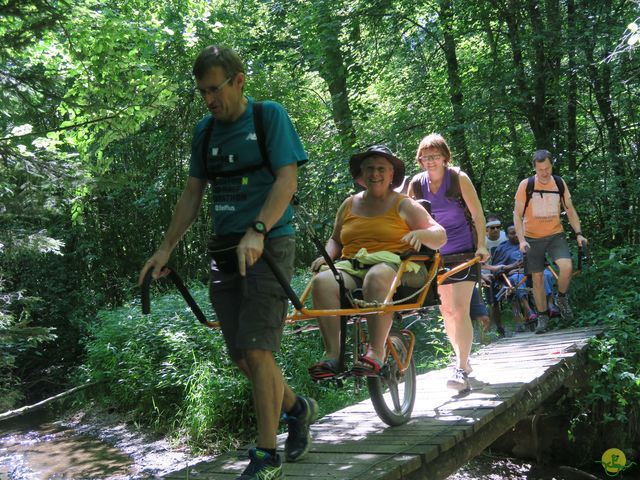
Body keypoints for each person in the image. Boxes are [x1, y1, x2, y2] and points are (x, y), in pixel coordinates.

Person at [138, 45, 316, 480]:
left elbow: (287, 180)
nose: (209, 100)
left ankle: (266, 456)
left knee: (258, 349)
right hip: (224, 250)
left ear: (238, 81)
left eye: (214, 90)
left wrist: (257, 229)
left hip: (270, 244)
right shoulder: (205, 131)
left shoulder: (269, 116)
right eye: (202, 92)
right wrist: (165, 248)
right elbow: (192, 193)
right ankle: (297, 408)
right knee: (242, 355)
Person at [308, 145, 446, 379]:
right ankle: (333, 355)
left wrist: (422, 235)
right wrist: (328, 256)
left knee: (376, 276)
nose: (375, 174)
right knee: (322, 281)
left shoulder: (403, 204)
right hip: (353, 264)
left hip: (399, 265)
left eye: (381, 168)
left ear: (392, 174)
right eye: (370, 168)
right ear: (361, 174)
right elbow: (335, 240)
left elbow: (440, 235)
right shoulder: (349, 204)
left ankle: (376, 351)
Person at [408, 133, 490, 392]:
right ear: (420, 161)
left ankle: (461, 365)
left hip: (464, 251)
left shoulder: (458, 179)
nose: (430, 161)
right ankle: (461, 359)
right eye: (425, 157)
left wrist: (482, 244)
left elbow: (477, 214)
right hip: (435, 255)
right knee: (446, 311)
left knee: (459, 308)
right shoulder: (416, 185)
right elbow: (408, 218)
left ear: (445, 158)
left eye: (435, 156)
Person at [514, 149, 587, 334]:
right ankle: (542, 317)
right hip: (532, 237)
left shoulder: (559, 183)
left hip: (555, 234)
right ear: (534, 169)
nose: (544, 173)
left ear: (551, 166)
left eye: (547, 168)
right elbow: (517, 214)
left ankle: (561, 298)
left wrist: (579, 233)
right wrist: (521, 239)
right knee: (537, 278)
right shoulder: (526, 185)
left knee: (567, 267)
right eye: (540, 170)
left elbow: (569, 209)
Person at [484, 224, 558, 331]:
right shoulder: (502, 248)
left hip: (534, 272)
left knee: (547, 274)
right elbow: (496, 269)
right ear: (507, 235)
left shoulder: (529, 243)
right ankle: (528, 311)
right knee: (516, 278)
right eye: (512, 233)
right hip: (515, 275)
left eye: (518, 233)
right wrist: (511, 268)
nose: (516, 235)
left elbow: (543, 261)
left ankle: (551, 305)